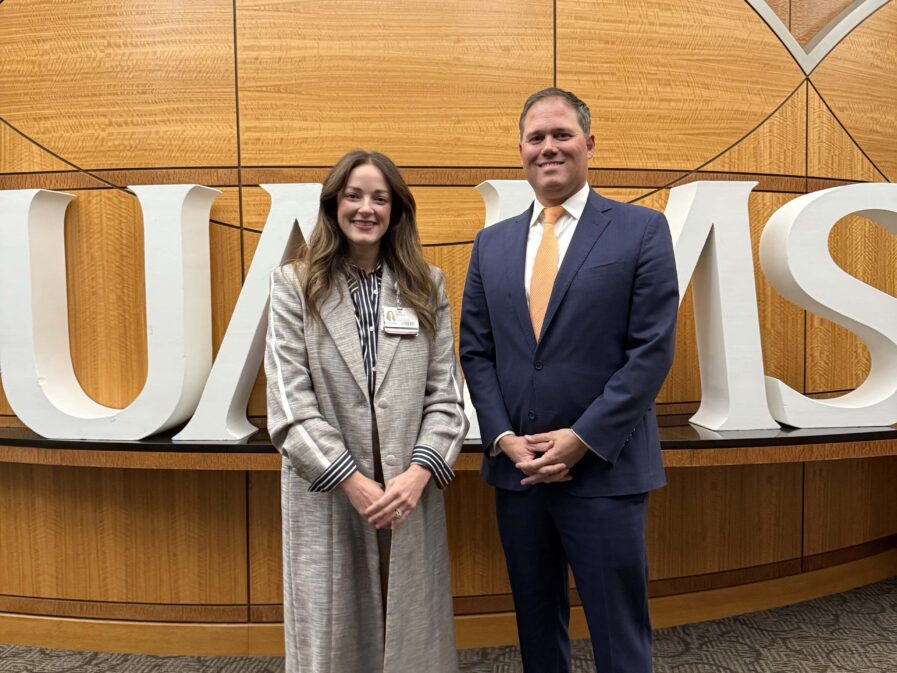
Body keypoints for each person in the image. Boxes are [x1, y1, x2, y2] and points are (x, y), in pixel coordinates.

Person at [459, 88, 678, 673]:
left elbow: (652, 352)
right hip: (519, 471)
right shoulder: (491, 243)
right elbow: (476, 353)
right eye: (536, 137)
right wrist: (503, 438)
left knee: (619, 633)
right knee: (536, 626)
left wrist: (581, 439)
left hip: (605, 469)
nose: (548, 147)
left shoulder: (642, 230)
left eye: (561, 134)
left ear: (589, 144)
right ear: (520, 150)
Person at [266, 149, 468, 673]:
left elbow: (446, 397)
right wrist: (353, 480)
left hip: (407, 489)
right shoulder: (295, 284)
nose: (366, 208)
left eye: (380, 198)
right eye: (354, 195)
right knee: (332, 637)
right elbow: (288, 405)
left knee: (412, 633)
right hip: (330, 491)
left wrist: (419, 473)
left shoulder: (427, 284)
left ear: (396, 210)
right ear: (334, 204)